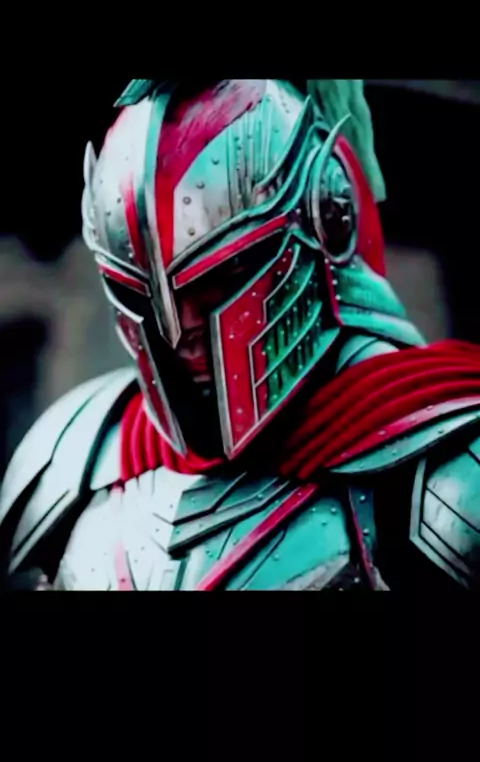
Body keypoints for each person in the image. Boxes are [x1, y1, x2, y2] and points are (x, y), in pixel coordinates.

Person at [0, 78, 478, 591]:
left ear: (326, 219)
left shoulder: (452, 468)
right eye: (142, 294)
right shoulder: (73, 457)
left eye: (218, 280)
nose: (180, 332)